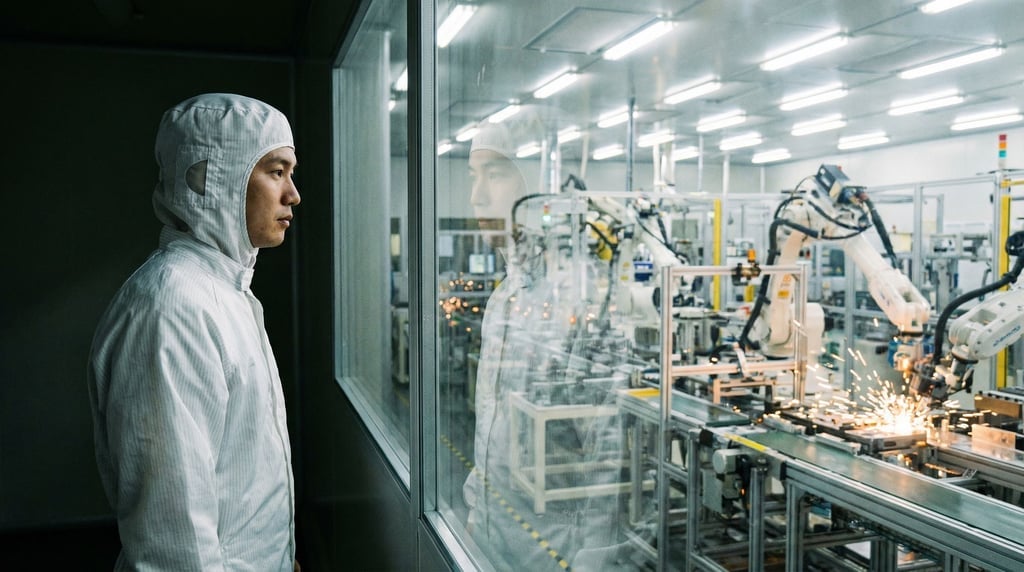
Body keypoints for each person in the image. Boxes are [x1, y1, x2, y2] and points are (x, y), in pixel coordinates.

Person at [87, 93, 300, 571]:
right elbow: (172, 537)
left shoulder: (226, 293)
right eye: (276, 171)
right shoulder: (171, 309)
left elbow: (241, 474)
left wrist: (283, 556)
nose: (293, 194)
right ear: (213, 178)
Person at [463, 123, 635, 571]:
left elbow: (609, 454)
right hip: (492, 539)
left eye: (495, 175)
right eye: (473, 177)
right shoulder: (504, 299)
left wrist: (594, 560)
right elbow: (490, 424)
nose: (477, 196)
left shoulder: (583, 300)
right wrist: (476, 508)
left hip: (554, 552)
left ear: (538, 189)